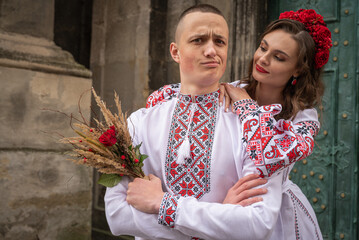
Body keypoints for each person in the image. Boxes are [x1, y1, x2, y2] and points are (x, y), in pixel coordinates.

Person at [105, 5, 330, 240]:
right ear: (175, 51)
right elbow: (118, 216)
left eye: (220, 42)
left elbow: (256, 222)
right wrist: (219, 220)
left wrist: (165, 205)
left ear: (297, 70)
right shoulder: (140, 121)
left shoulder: (261, 131)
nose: (211, 50)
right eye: (198, 40)